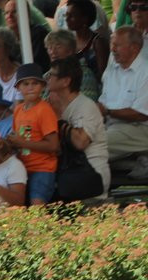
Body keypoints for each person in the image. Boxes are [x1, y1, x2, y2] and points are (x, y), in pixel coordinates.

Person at [99, 27, 148, 171]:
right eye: (112, 44)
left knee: (93, 145)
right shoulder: (111, 71)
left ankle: (95, 188)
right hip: (113, 128)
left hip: (144, 131)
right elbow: (102, 103)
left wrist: (107, 111)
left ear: (134, 48)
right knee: (78, 141)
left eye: (117, 45)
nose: (112, 49)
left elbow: (141, 114)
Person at [45, 58, 110, 197]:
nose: (47, 78)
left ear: (65, 81)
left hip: (91, 173)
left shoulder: (85, 106)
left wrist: (57, 119)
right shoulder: (52, 105)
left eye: (51, 75)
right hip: (69, 172)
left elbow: (80, 142)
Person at [4, 64, 59, 206]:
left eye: (35, 83)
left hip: (42, 169)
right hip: (22, 168)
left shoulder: (44, 110)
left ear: (42, 86)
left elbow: (53, 145)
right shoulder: (18, 110)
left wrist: (22, 143)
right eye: (26, 84)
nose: (30, 87)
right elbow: (17, 139)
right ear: (18, 88)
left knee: (37, 207)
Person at [4, 0, 50, 71]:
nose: (9, 16)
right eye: (6, 13)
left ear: (26, 14)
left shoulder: (38, 33)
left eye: (14, 12)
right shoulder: (6, 37)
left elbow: (34, 63)